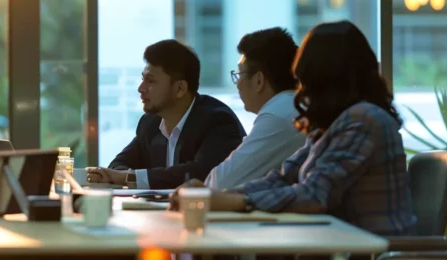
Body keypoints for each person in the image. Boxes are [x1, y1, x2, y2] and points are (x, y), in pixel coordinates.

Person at [169, 21, 416, 236]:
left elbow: (314, 195)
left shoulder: (364, 120)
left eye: (305, 79)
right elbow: (284, 176)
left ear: (325, 78)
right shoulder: (331, 124)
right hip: (341, 245)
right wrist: (217, 198)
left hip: (373, 251)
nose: (301, 89)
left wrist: (233, 200)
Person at [86, 39, 245, 190]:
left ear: (179, 89)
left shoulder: (217, 121)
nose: (141, 88)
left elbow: (200, 174)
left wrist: (128, 178)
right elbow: (118, 165)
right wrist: (120, 175)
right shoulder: (150, 123)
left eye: (151, 81)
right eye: (143, 79)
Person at [203, 27, 306, 190]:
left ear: (259, 81)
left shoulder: (278, 115)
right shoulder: (291, 106)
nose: (237, 83)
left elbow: (220, 184)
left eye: (239, 73)